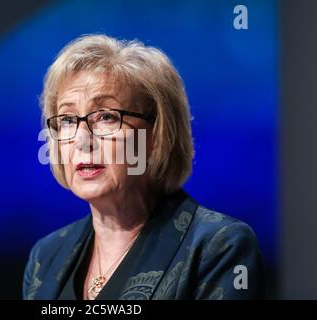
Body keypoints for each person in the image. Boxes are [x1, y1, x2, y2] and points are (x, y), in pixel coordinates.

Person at [22, 34, 265, 300]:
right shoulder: (45, 258)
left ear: (156, 135)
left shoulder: (218, 248)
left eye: (106, 116)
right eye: (68, 119)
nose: (82, 140)